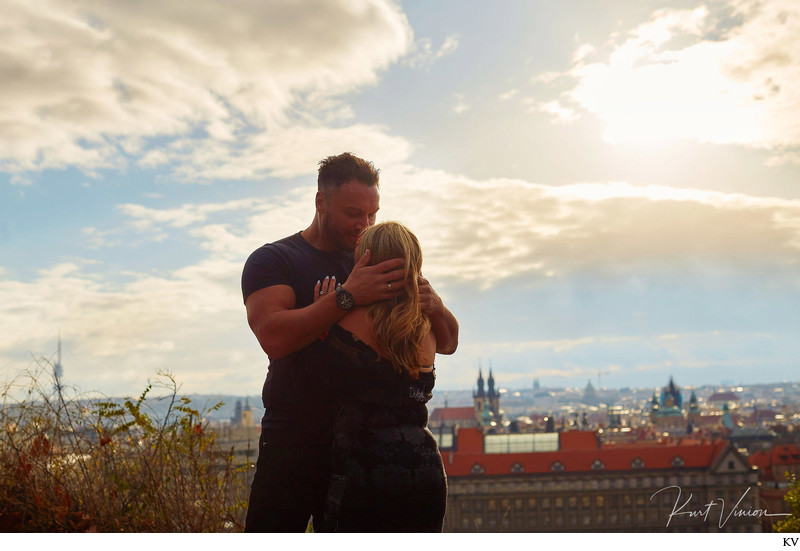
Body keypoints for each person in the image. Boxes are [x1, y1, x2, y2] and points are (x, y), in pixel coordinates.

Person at [241, 153, 458, 532]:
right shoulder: (275, 259)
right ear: (320, 203)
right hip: (294, 441)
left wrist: (435, 307)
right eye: (354, 212)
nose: (365, 224)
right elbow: (273, 336)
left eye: (373, 214)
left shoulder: (372, 257)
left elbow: (446, 342)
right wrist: (346, 297)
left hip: (361, 454)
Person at [312, 221, 447, 532]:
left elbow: (315, 380)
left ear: (367, 262)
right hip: (424, 469)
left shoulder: (346, 321)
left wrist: (324, 311)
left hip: (363, 470)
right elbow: (450, 342)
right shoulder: (426, 327)